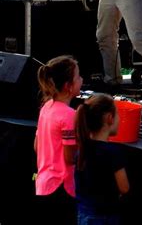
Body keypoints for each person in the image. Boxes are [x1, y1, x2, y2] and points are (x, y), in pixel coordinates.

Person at [35, 55, 82, 224]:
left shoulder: (46, 108)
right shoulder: (69, 116)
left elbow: (36, 145)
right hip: (61, 188)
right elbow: (70, 157)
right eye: (78, 77)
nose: (81, 79)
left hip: (43, 184)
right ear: (69, 87)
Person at [75, 94, 129, 224]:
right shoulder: (112, 152)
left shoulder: (81, 149)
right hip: (105, 216)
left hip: (84, 213)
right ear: (110, 118)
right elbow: (124, 187)